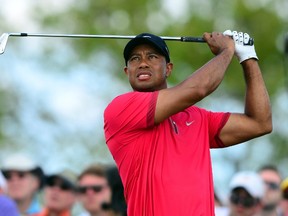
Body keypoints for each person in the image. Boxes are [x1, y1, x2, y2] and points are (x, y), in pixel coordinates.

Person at [103, 30, 272, 215]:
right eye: (135, 59)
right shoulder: (121, 108)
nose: (143, 63)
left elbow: (260, 123)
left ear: (168, 68)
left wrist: (248, 56)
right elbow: (198, 88)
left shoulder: (198, 118)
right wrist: (227, 51)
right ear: (127, 71)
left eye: (152, 57)